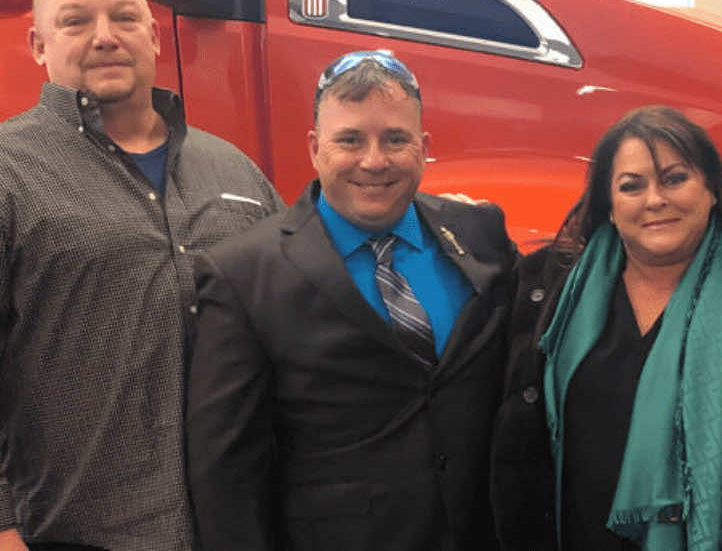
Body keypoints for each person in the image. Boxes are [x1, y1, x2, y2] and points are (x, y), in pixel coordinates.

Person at [0, 0, 282, 551]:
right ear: (38, 44)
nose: (105, 38)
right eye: (76, 22)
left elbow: (298, 325)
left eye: (124, 18)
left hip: (237, 528)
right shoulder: (8, 173)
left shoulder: (233, 169)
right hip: (71, 535)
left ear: (153, 35)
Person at [185, 50, 519, 550]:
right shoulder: (243, 274)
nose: (374, 161)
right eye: (350, 140)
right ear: (315, 148)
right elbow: (226, 471)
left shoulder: (480, 231)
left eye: (395, 139)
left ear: (424, 147)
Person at [490, 106, 722, 551]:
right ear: (609, 205)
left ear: (712, 189)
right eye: (631, 186)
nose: (654, 200)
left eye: (674, 178)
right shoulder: (547, 287)